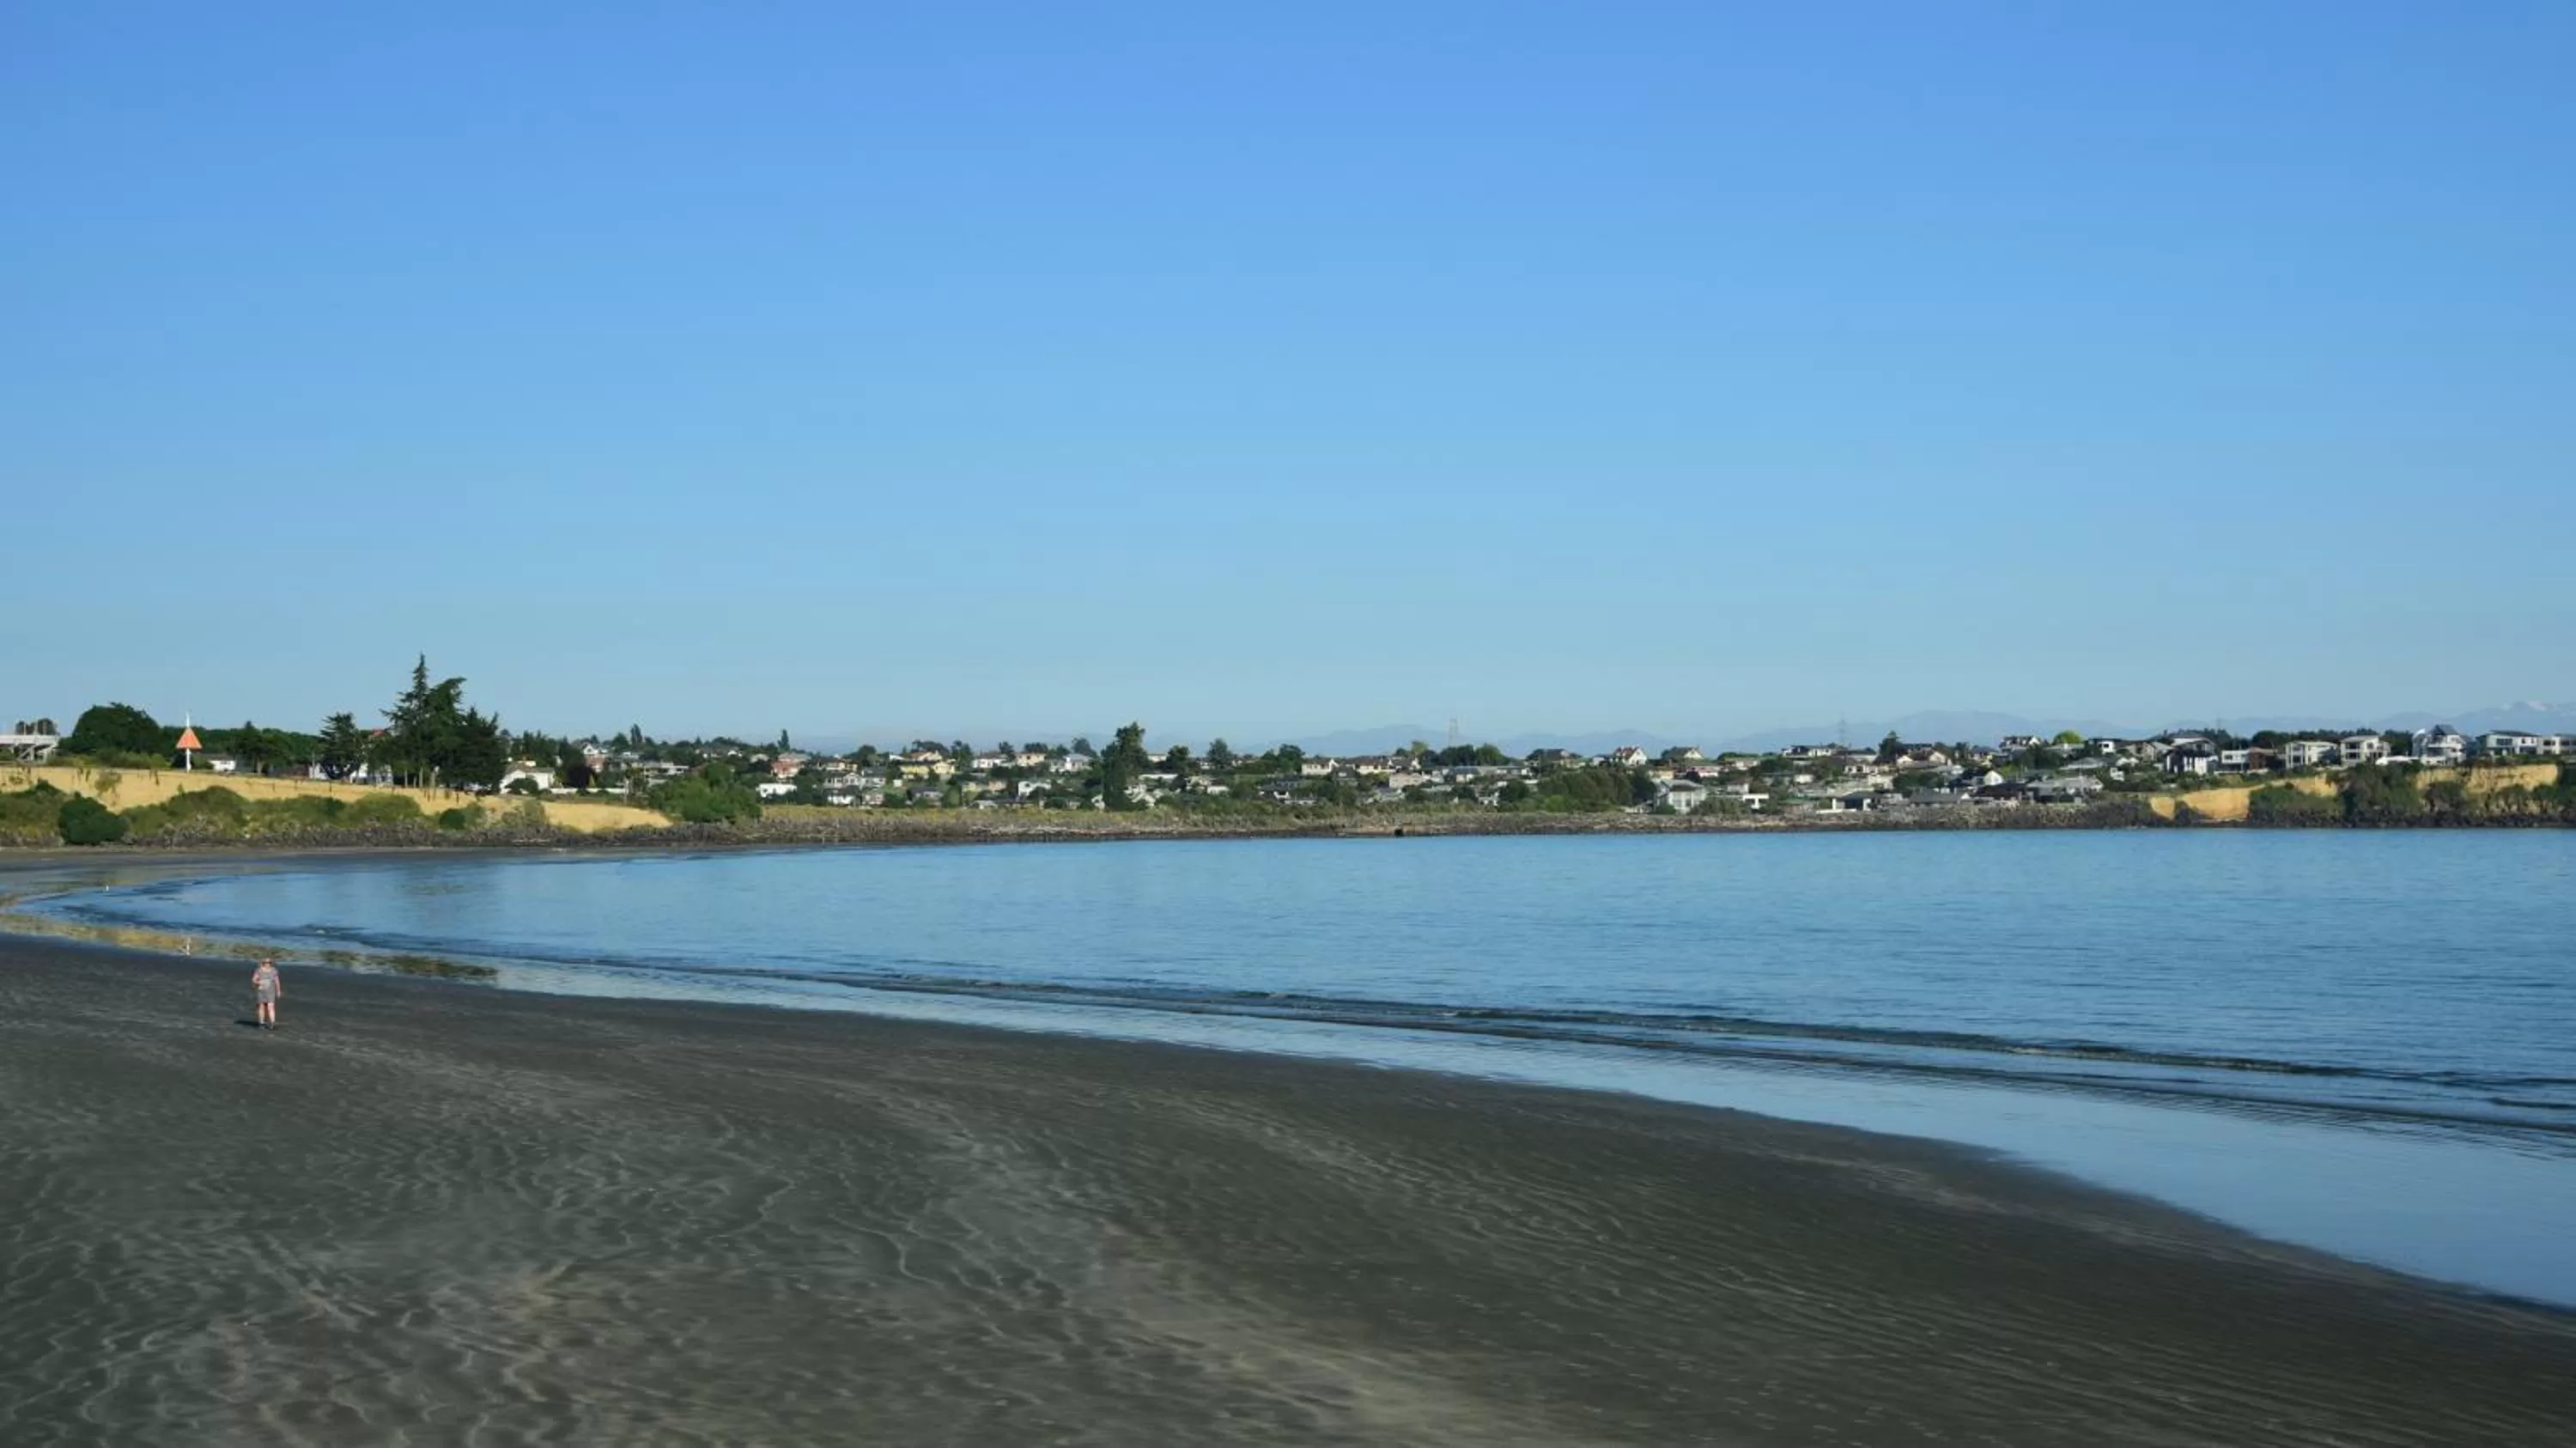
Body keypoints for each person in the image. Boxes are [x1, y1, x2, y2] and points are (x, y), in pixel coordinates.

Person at [252, 958, 283, 1031]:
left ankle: (272, 1023)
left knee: (270, 1006)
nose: (268, 964)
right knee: (261, 1007)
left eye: (269, 962)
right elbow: (254, 980)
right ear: (263, 963)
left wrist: (278, 991)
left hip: (271, 991)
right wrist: (259, 982)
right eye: (266, 962)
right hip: (261, 991)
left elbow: (277, 981)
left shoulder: (274, 971)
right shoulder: (259, 970)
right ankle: (261, 1023)